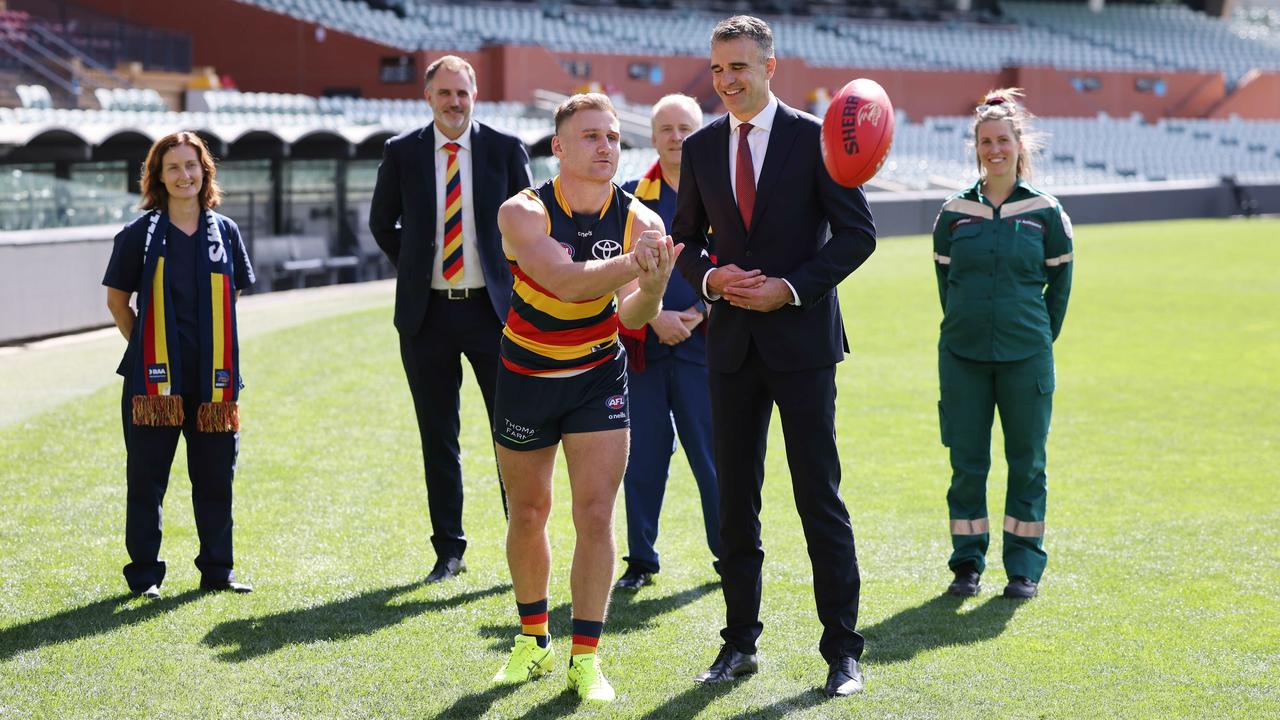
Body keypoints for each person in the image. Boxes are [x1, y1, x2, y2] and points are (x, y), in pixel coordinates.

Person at [671, 15, 877, 698]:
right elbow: (686, 242)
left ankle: (843, 651)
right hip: (729, 349)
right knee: (736, 506)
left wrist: (791, 289)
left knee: (819, 498)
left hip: (803, 346)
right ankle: (738, 645)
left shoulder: (816, 140)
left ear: (771, 67)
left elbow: (857, 236)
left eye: (740, 67)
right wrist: (711, 280)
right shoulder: (701, 147)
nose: (727, 80)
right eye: (718, 68)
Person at [488, 93, 679, 703]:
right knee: (530, 511)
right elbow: (566, 283)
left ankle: (586, 657)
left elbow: (635, 315)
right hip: (526, 374)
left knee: (595, 514)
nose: (605, 147)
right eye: (592, 136)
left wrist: (653, 285)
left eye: (614, 137)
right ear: (560, 147)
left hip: (598, 376)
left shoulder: (642, 220)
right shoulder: (522, 212)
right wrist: (636, 263)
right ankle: (532, 638)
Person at [369, 55, 533, 583]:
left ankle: (523, 544)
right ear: (428, 96)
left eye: (462, 93)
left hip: (494, 314)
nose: (454, 102)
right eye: (445, 93)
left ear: (475, 94)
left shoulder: (506, 150)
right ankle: (449, 550)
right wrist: (417, 267)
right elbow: (381, 222)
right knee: (438, 437)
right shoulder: (402, 152)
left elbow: (531, 225)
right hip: (427, 316)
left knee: (512, 432)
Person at [933, 88, 1073, 600]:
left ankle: (1023, 568)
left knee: (1027, 463)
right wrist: (968, 328)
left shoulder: (1046, 212)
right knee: (966, 463)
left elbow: (1059, 289)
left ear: (1019, 144)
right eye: (985, 141)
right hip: (962, 357)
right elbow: (946, 285)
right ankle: (966, 564)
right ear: (976, 147)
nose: (994, 149)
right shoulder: (953, 212)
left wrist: (1034, 336)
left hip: (1026, 357)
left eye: (1003, 140)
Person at [103, 131, 255, 598]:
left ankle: (217, 571)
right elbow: (116, 301)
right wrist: (147, 347)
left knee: (215, 479)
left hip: (213, 382)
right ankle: (145, 575)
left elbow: (233, 295)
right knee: (147, 480)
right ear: (158, 176)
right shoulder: (137, 235)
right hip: (153, 384)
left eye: (191, 165)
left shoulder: (225, 232)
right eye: (173, 167)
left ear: (204, 172)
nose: (183, 175)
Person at [615, 93, 720, 591]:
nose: (676, 137)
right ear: (653, 137)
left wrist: (698, 314)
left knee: (714, 459)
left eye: (685, 128)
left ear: (700, 133)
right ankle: (640, 559)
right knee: (642, 458)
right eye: (666, 129)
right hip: (646, 352)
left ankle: (730, 556)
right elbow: (619, 272)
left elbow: (740, 263)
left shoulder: (724, 192)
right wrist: (656, 318)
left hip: (708, 351)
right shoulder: (633, 197)